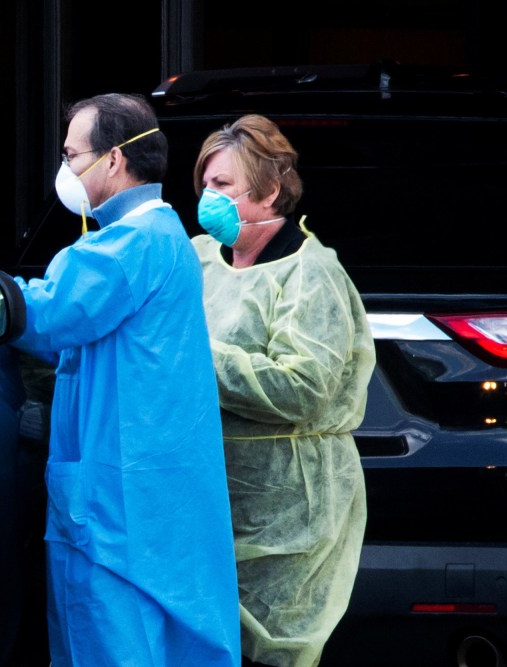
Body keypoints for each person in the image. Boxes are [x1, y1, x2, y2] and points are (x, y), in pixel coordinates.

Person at [0, 93, 240, 666]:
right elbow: (66, 333)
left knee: (113, 644)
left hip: (116, 506)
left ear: (114, 160)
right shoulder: (157, 235)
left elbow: (41, 317)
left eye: (73, 156)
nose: (66, 170)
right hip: (142, 494)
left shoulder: (126, 247)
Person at [191, 114, 376, 667]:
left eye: (222, 185)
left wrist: (194, 355)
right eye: (204, 182)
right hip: (204, 496)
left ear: (270, 190)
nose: (207, 196)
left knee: (272, 651)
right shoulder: (199, 258)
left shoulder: (309, 273)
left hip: (286, 508)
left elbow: (302, 388)